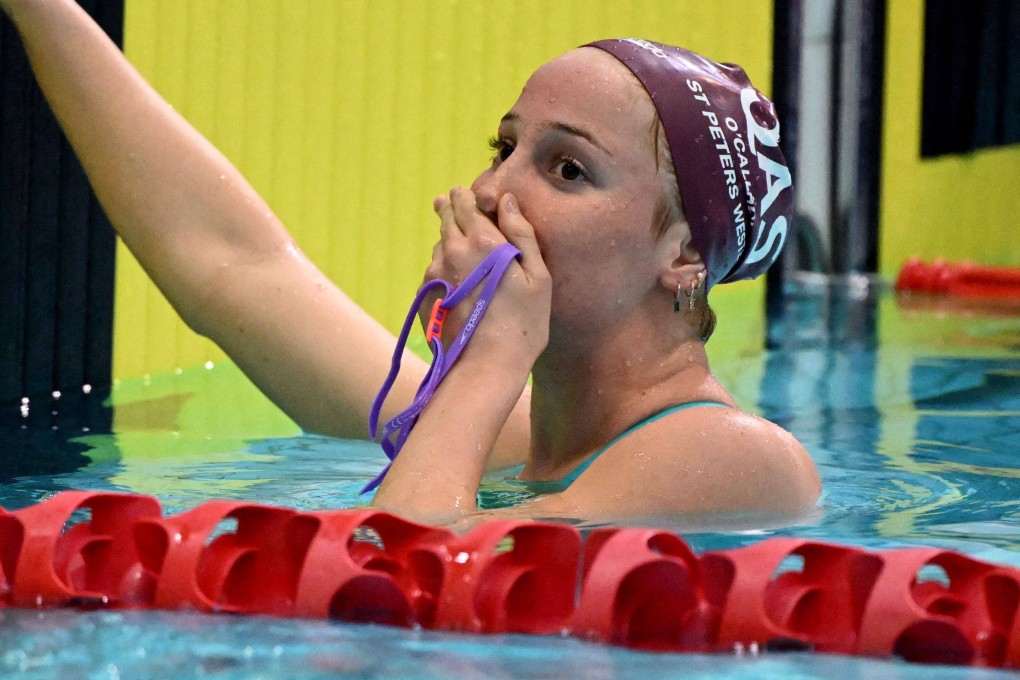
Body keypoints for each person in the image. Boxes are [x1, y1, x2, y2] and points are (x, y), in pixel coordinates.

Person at [2, 1, 820, 526]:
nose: (493, 190)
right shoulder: (512, 435)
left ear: (680, 253)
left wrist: (488, 359)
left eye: (566, 169)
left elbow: (404, 583)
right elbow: (235, 268)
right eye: (504, 148)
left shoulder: (733, 460)